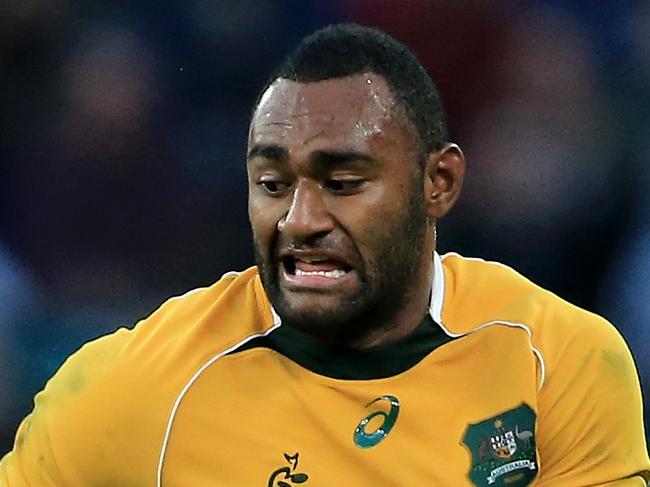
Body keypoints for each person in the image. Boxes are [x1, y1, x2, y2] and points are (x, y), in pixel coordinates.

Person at [1, 23, 648, 487]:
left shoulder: (558, 360)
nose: (300, 220)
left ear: (438, 184)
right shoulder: (139, 387)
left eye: (343, 183)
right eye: (273, 184)